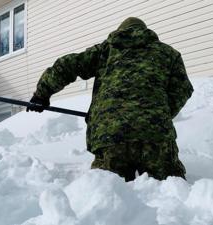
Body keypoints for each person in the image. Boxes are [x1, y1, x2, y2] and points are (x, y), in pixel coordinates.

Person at [26, 17, 193, 181]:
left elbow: (67, 65)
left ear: (120, 31)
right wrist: (157, 113)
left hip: (110, 136)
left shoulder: (105, 51)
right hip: (156, 136)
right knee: (171, 192)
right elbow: (182, 89)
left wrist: (42, 93)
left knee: (108, 192)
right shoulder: (168, 54)